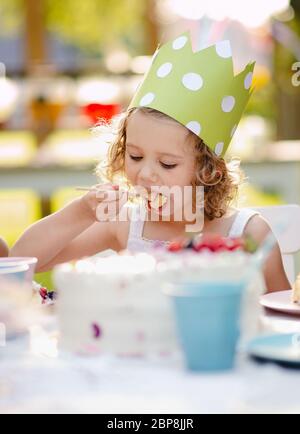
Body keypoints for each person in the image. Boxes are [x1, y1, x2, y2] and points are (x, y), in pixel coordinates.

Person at [11, 34, 290, 292]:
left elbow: (283, 313)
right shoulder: (126, 224)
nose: (145, 174)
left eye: (167, 164)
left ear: (209, 171)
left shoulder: (249, 233)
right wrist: (81, 212)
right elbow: (21, 260)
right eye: (135, 156)